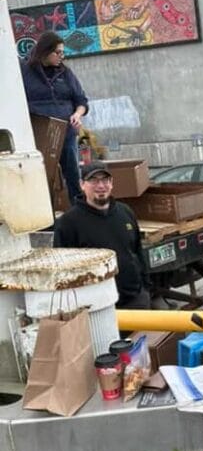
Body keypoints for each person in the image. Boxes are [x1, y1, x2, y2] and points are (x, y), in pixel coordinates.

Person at [54, 162, 151, 310]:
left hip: (135, 300)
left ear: (111, 183)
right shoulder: (68, 223)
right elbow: (62, 272)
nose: (101, 186)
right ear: (82, 184)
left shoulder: (125, 212)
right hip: (97, 308)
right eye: (94, 181)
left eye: (105, 180)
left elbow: (137, 251)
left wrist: (145, 288)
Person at [20, 31, 89, 205]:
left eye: (63, 53)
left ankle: (79, 211)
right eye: (57, 52)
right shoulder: (23, 72)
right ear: (45, 52)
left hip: (65, 132)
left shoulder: (65, 73)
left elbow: (81, 100)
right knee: (43, 176)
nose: (61, 56)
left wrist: (77, 114)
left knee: (73, 174)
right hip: (40, 134)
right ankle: (46, 219)